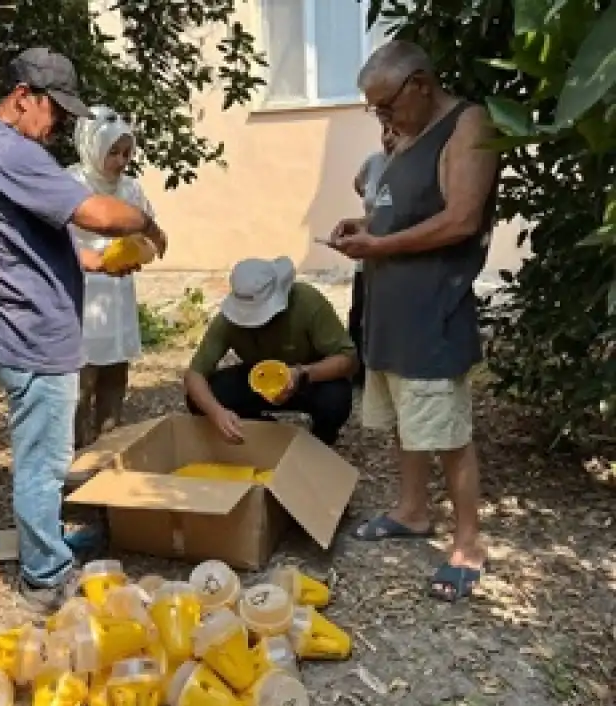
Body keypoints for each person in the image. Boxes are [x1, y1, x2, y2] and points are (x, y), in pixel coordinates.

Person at [0, 47, 167, 613]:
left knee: (42, 455)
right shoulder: (13, 154)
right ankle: (45, 577)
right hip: (32, 333)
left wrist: (93, 263)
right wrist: (148, 224)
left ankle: (47, 542)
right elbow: (96, 214)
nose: (56, 125)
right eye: (53, 110)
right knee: (43, 463)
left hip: (17, 322)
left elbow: (24, 240)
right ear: (22, 97)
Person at [329, 40, 499, 602]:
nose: (382, 118)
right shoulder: (407, 134)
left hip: (433, 312)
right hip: (389, 313)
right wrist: (363, 227)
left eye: (387, 106)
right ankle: (412, 511)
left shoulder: (467, 125)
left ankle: (469, 543)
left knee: (448, 433)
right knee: (407, 419)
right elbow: (399, 213)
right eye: (374, 109)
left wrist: (380, 245)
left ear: (421, 84)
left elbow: (461, 219)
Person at [184, 257, 357, 446]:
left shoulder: (307, 301)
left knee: (336, 399)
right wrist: (217, 413)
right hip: (257, 379)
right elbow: (195, 374)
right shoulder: (228, 320)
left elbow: (348, 358)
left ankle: (319, 442)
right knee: (199, 399)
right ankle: (263, 430)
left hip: (305, 377)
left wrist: (301, 373)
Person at [68, 106, 154, 448]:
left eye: (126, 153)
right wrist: (96, 259)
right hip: (81, 297)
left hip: (117, 298)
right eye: (113, 152)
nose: (120, 161)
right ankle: (75, 456)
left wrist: (138, 252)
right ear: (92, 147)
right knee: (79, 384)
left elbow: (148, 234)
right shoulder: (70, 185)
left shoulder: (131, 190)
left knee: (114, 378)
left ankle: (109, 451)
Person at [348, 123, 398, 387]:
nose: (388, 137)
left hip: (399, 255)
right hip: (367, 254)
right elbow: (359, 185)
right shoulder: (373, 162)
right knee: (360, 312)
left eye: (395, 131)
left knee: (391, 313)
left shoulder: (416, 167)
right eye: (385, 130)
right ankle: (359, 373)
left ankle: (391, 369)